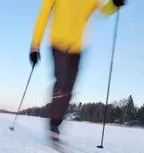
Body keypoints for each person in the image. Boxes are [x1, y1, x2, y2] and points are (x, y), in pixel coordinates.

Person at [29, 0, 126, 141]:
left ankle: (56, 122)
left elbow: (102, 11)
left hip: (77, 48)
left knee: (69, 88)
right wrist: (35, 46)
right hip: (58, 43)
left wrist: (114, 4)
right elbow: (43, 16)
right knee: (62, 83)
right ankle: (54, 123)